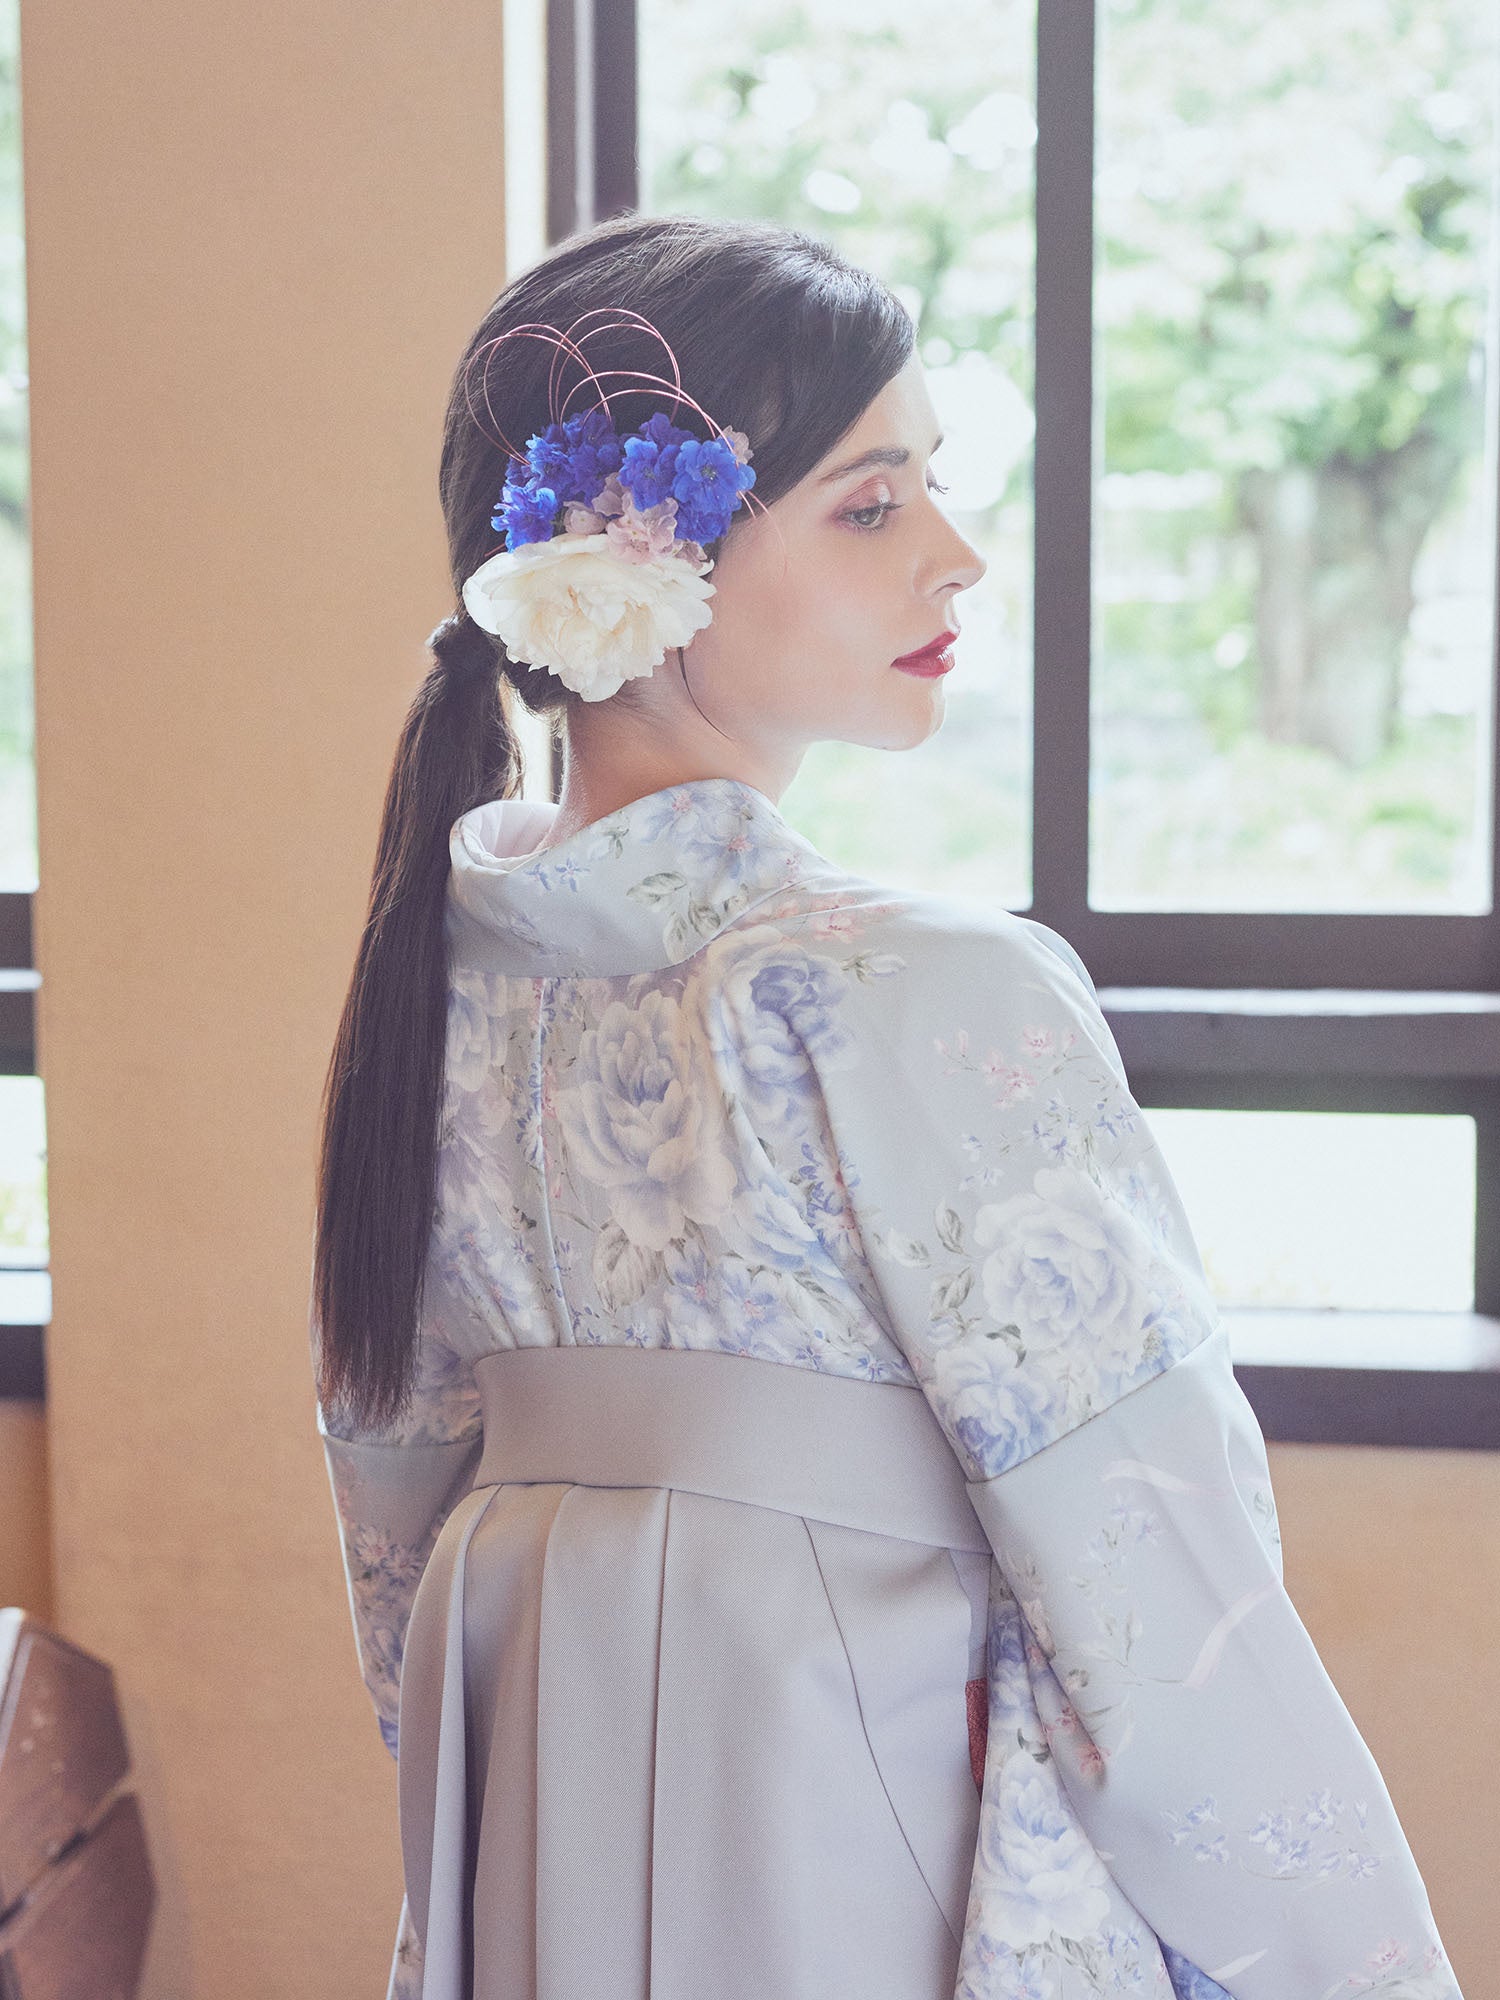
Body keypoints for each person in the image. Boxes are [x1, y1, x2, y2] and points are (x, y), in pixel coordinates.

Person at [309, 210, 1463, 2000]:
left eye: (933, 487)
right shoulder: (918, 987)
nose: (957, 556)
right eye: (870, 506)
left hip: (532, 1776)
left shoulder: (427, 986)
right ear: (645, 563)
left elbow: (396, 1523)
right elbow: (1154, 1577)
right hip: (856, 1790)